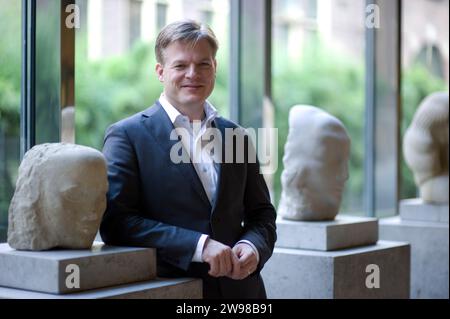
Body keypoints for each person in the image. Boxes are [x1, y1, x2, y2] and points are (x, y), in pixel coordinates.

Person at [99, 20, 277, 299]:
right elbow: (117, 222)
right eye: (180, 65)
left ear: (215, 68)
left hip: (243, 293)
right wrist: (199, 246)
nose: (193, 74)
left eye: (203, 64)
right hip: (174, 290)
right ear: (160, 71)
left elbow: (262, 214)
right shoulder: (127, 136)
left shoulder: (236, 136)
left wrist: (253, 246)